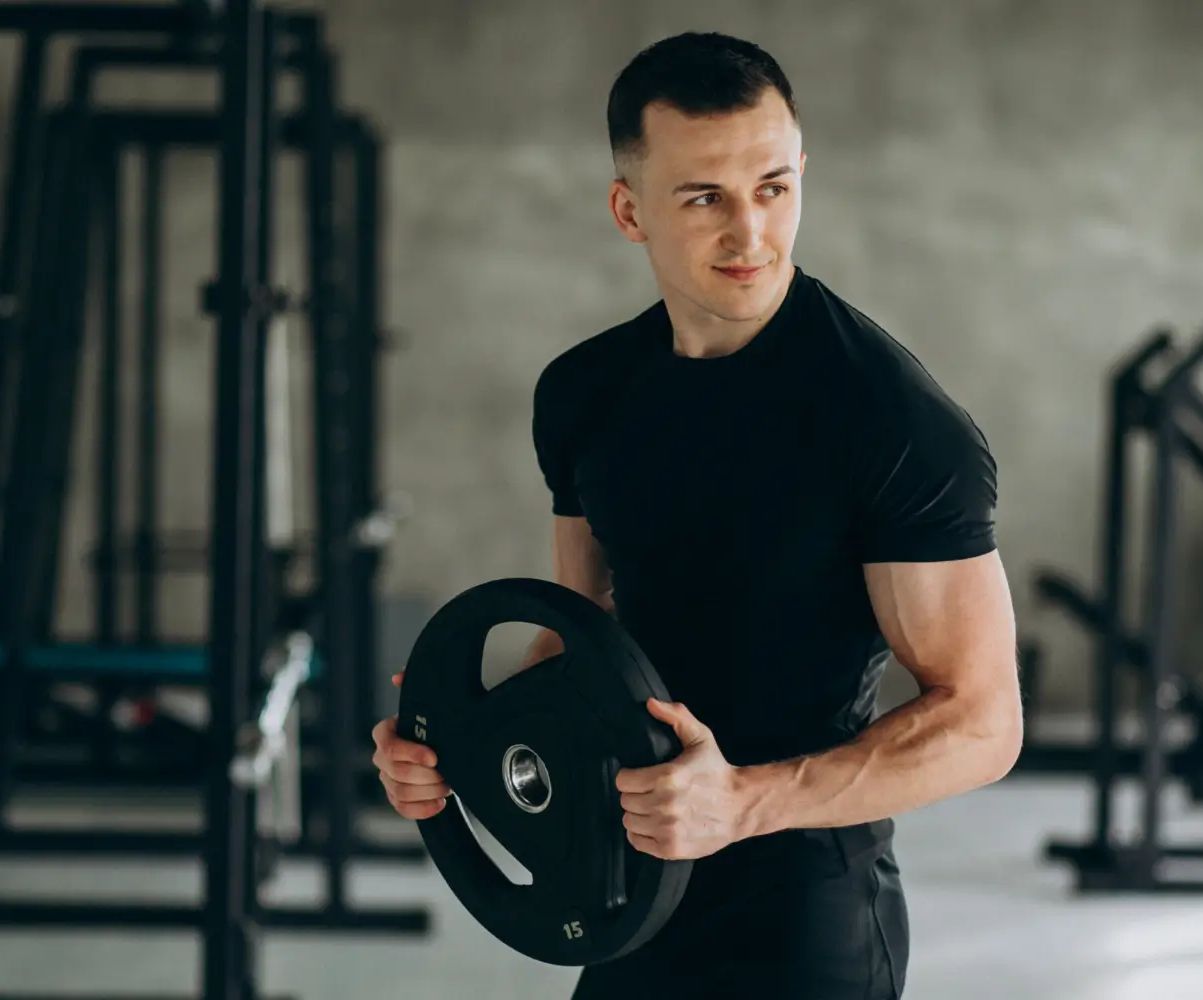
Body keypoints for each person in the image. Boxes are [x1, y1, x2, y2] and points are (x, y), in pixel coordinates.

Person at [372, 31, 1024, 1000]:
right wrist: (461, 751)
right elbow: (576, 642)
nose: (750, 233)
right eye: (704, 197)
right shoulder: (585, 393)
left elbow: (984, 722)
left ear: (804, 171)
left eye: (773, 186)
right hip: (626, 886)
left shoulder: (886, 418)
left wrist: (743, 802)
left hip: (805, 910)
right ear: (628, 210)